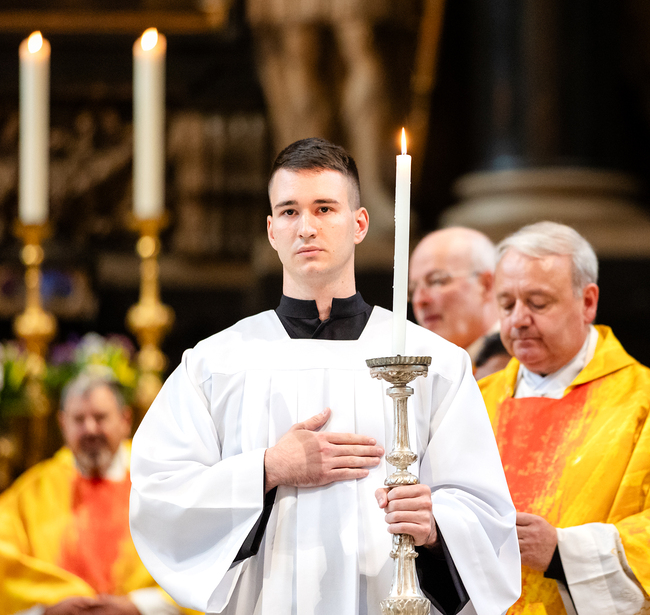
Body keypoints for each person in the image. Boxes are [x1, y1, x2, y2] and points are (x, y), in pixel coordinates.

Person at [128, 138, 520, 615]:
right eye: (289, 212)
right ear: (271, 231)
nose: (306, 227)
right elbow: (159, 493)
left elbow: (485, 512)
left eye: (325, 209)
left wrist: (436, 526)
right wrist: (268, 469)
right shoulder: (215, 364)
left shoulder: (433, 362)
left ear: (360, 224)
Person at [479, 221, 650, 615]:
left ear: (588, 302)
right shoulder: (474, 401)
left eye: (537, 303)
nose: (518, 319)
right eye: (506, 305)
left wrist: (563, 553)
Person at [0, 370, 192, 615]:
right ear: (63, 424)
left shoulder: (163, 481)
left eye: (100, 418)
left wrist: (138, 606)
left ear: (125, 420)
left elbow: (199, 564)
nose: (90, 429)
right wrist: (45, 609)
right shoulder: (33, 491)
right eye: (79, 419)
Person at [408, 227, 503, 370]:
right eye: (412, 289)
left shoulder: (520, 363)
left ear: (485, 284)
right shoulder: (427, 369)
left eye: (437, 281)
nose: (419, 300)